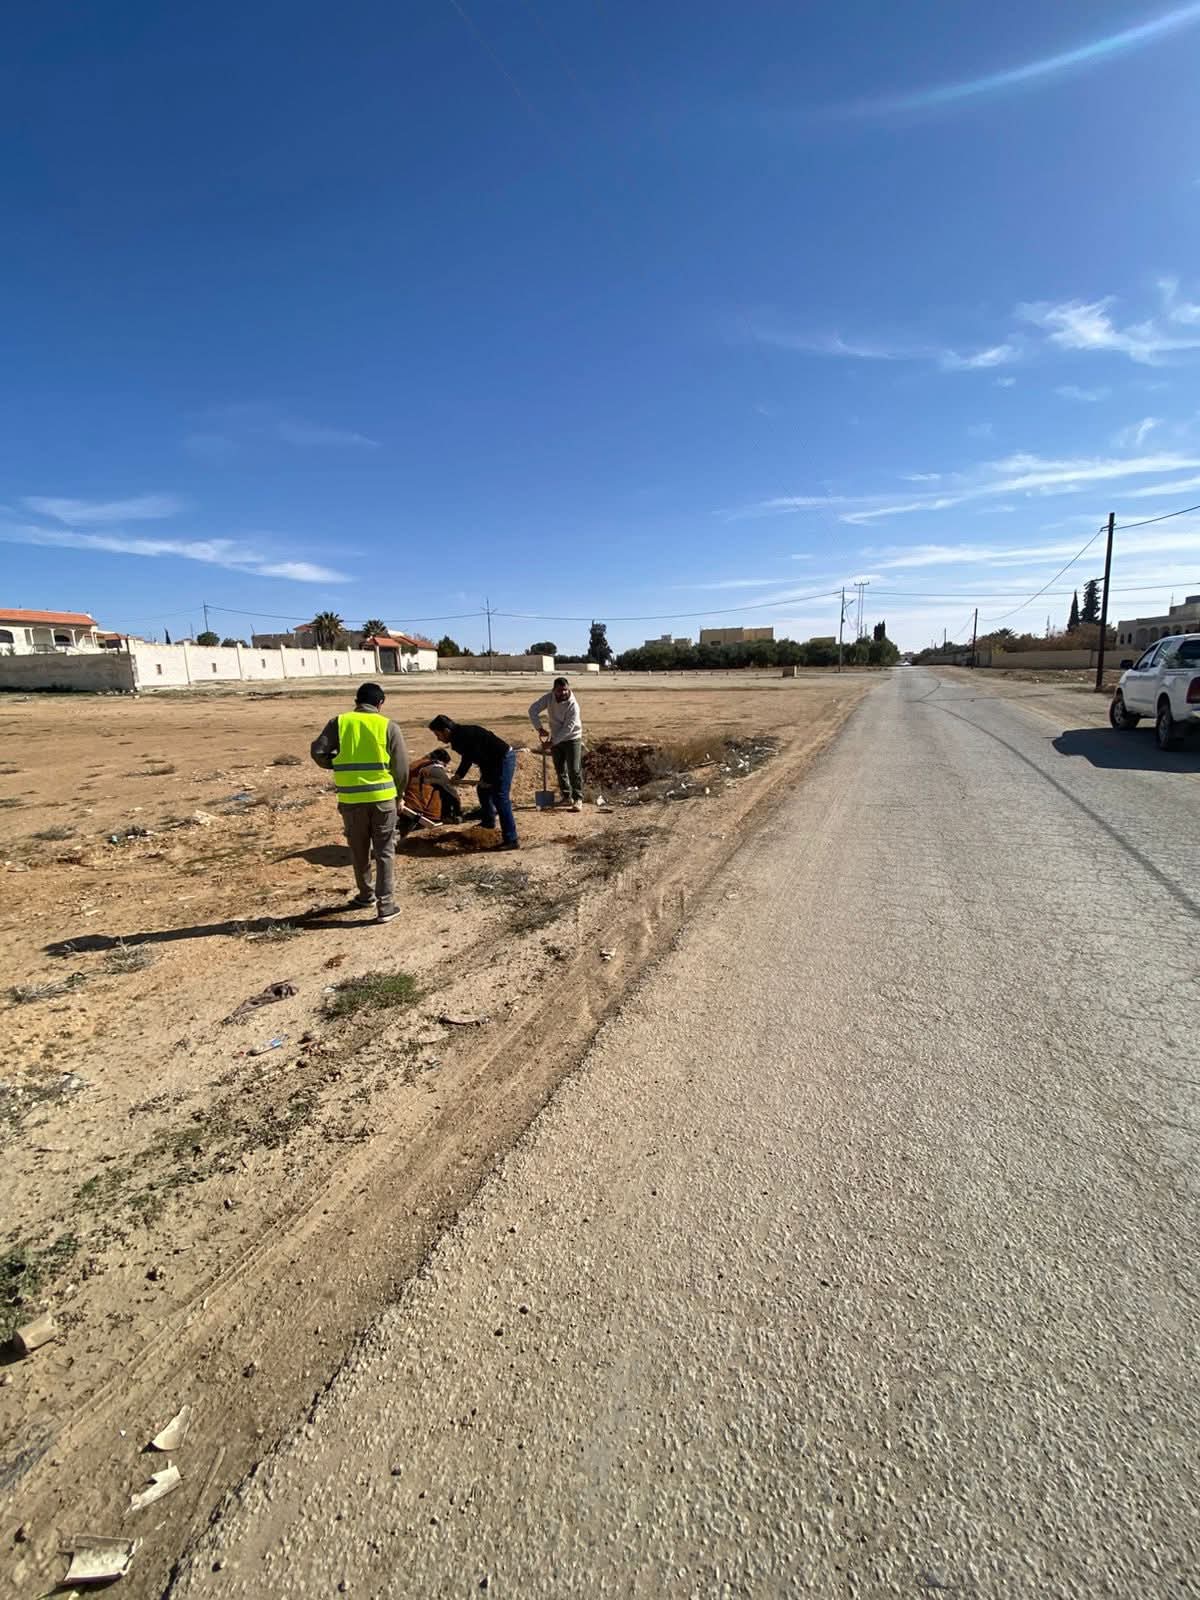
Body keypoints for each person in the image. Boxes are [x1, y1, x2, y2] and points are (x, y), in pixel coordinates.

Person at [310, 683, 408, 922]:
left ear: (356, 701)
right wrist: (400, 794)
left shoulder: (339, 723)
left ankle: (366, 895)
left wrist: (337, 764)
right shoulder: (388, 726)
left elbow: (318, 752)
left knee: (359, 850)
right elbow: (401, 767)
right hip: (383, 799)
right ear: (380, 703)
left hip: (351, 800)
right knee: (384, 851)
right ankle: (386, 906)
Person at [428, 714, 518, 850]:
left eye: (438, 734)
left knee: (500, 797)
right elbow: (468, 757)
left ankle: (511, 840)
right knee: (483, 790)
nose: (438, 739)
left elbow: (479, 757)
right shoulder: (459, 737)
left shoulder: (464, 735)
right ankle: (488, 823)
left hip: (503, 758)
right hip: (491, 761)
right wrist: (459, 775)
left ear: (446, 730)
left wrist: (487, 779)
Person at [529, 675, 584, 811]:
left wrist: (552, 742)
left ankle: (578, 799)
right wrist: (539, 728)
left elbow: (568, 728)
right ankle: (566, 797)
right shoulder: (549, 698)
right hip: (555, 738)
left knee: (574, 769)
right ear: (554, 690)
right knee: (560, 769)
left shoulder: (573, 705)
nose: (563, 693)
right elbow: (533, 710)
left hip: (572, 738)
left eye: (565, 689)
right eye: (560, 690)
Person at [400, 747, 463, 838]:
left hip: (405, 805)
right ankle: (447, 816)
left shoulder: (415, 765)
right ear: (441, 762)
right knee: (443, 790)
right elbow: (452, 794)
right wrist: (459, 813)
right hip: (421, 811)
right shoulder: (435, 770)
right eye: (444, 765)